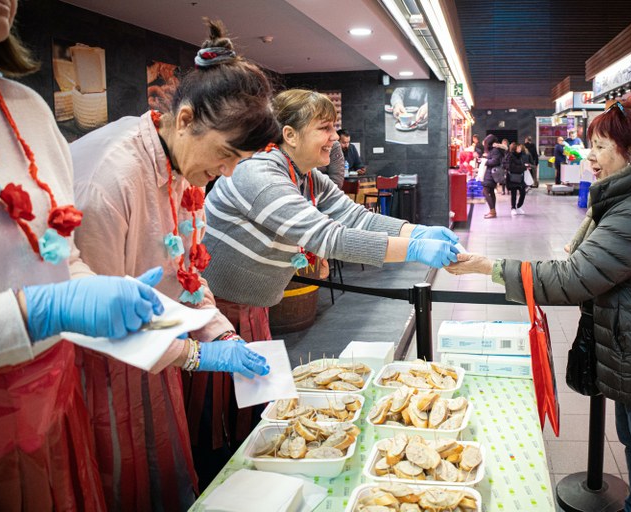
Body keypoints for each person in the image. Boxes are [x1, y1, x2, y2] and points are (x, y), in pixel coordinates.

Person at [447, 100, 631, 512]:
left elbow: (574, 278)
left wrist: (489, 266)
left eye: (600, 147)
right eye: (589, 146)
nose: (588, 157)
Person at [70, 20, 278, 510]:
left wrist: (219, 334)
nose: (227, 172)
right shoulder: (111, 178)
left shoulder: (180, 163)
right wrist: (193, 355)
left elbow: (186, 271)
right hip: (101, 366)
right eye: (226, 154)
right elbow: (92, 314)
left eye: (240, 161)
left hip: (158, 351)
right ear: (185, 119)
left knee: (164, 476)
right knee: (120, 479)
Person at [0, 3, 165, 509]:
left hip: (52, 389)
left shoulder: (26, 106)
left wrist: (89, 285)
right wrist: (40, 310)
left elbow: (58, 251)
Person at [202, 89, 459, 322]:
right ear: (290, 135)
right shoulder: (260, 175)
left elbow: (357, 217)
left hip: (248, 305)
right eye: (325, 128)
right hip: (213, 306)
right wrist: (414, 249)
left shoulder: (306, 176)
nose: (335, 137)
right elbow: (330, 238)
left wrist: (418, 232)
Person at [481, 134, 504, 218]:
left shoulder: (495, 150)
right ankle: (492, 211)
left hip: (491, 174)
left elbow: (495, 161)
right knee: (491, 192)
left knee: (485, 192)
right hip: (491, 174)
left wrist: (485, 161)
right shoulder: (495, 150)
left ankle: (492, 211)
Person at [506, 144, 530, 216]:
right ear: (515, 149)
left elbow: (521, 165)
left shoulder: (521, 156)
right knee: (513, 194)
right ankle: (513, 208)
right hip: (513, 177)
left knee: (523, 192)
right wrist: (524, 168)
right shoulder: (510, 156)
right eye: (518, 147)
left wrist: (525, 166)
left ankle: (519, 206)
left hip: (520, 177)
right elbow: (512, 168)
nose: (520, 149)